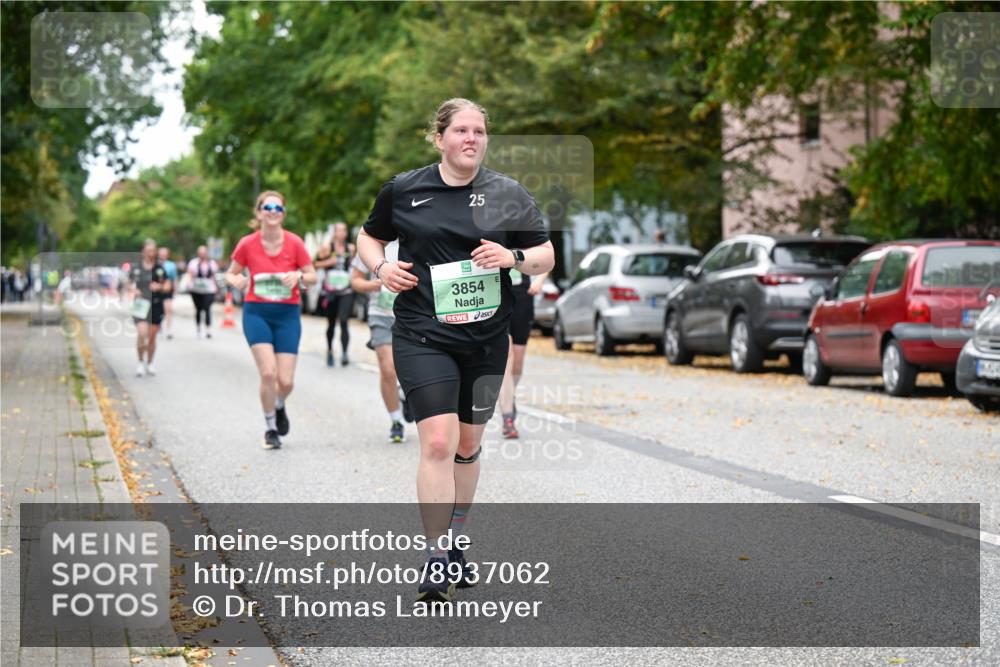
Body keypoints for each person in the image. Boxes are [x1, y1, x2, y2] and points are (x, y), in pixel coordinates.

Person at [357, 98, 554, 603]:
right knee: (439, 443)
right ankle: (436, 551)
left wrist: (511, 255)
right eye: (462, 130)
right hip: (423, 332)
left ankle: (458, 536)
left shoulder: (508, 193)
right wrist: (381, 269)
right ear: (440, 137)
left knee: (467, 445)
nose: (472, 139)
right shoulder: (404, 190)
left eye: (479, 132)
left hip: (487, 339)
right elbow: (369, 237)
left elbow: (544, 255)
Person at [225, 191, 317, 450]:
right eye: (268, 207)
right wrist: (237, 280)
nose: (273, 211)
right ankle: (270, 428)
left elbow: (313, 276)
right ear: (259, 213)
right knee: (268, 373)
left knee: (286, 382)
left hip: (287, 315)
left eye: (278, 207)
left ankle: (278, 405)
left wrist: (298, 276)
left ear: (283, 213)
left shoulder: (295, 243)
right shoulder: (247, 244)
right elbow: (229, 274)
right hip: (257, 313)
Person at [350, 239, 407, 443]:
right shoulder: (373, 241)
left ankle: (406, 396)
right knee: (388, 368)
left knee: (410, 369)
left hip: (412, 315)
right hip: (381, 314)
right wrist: (370, 285)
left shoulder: (417, 234)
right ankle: (396, 421)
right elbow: (355, 279)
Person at [497, 270, 549, 438]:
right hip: (496, 292)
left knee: (517, 364)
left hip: (522, 294)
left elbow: (546, 252)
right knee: (507, 355)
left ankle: (508, 396)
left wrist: (540, 280)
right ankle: (508, 418)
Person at [314, 223, 356, 367]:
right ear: (334, 232)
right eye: (338, 230)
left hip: (346, 290)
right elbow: (314, 265)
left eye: (344, 230)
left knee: (344, 321)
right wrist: (328, 262)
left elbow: (355, 265)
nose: (341, 233)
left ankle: (344, 353)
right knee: (331, 323)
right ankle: (330, 350)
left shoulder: (351, 248)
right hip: (330, 291)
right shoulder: (327, 248)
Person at [129, 239, 171, 377]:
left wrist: (159, 286)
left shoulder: (159, 268)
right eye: (147, 251)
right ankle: (140, 362)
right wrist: (133, 290)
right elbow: (129, 284)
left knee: (152, 337)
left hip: (156, 304)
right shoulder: (136, 268)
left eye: (152, 251)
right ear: (143, 251)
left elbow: (168, 286)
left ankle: (150, 362)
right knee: (142, 334)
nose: (150, 253)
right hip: (141, 305)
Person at [187, 245, 219, 339]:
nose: (202, 254)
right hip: (196, 289)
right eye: (200, 253)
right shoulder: (193, 263)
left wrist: (216, 286)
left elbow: (214, 276)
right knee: (198, 309)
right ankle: (198, 328)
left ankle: (208, 329)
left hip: (209, 289)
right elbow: (190, 275)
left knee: (207, 307)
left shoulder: (212, 263)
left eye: (204, 253)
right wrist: (189, 283)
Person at [157, 247, 178, 339]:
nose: (162, 255)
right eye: (161, 253)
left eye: (164, 253)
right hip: (157, 291)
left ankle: (168, 330)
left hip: (168, 290)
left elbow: (174, 278)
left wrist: (175, 289)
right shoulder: (155, 264)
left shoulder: (171, 265)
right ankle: (159, 327)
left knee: (168, 309)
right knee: (158, 310)